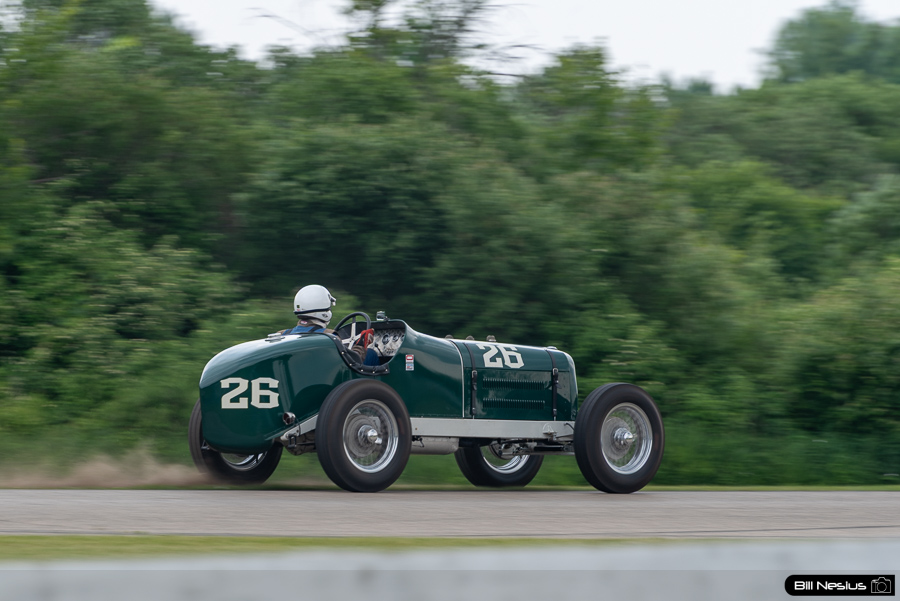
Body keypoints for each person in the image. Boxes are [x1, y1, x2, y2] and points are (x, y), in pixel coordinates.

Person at [280, 285, 378, 365]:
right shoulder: (330, 337)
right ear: (324, 310)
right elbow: (351, 363)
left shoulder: (282, 335)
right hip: (330, 380)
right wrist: (361, 344)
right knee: (371, 354)